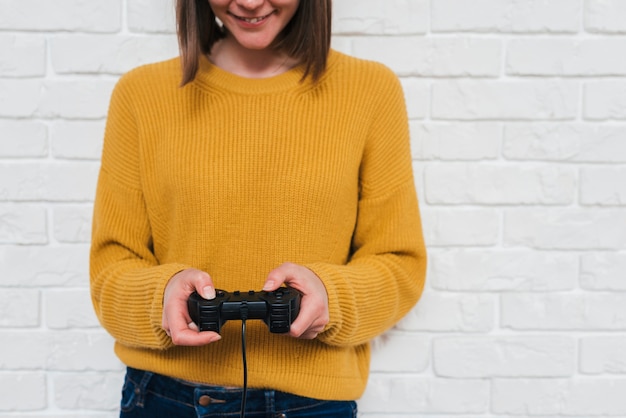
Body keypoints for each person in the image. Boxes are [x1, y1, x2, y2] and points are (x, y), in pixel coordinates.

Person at [89, 0, 427, 416]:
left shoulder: (370, 90)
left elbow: (400, 264)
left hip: (311, 404)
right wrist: (160, 297)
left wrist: (332, 297)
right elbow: (110, 272)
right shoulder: (141, 94)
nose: (249, 2)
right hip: (163, 399)